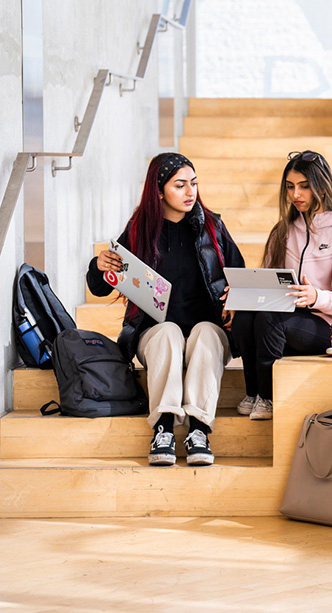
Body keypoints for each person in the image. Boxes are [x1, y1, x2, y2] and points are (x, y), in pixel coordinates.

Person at [86, 152, 245, 466]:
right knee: (169, 333)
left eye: (194, 184)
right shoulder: (139, 229)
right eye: (180, 185)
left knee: (203, 334)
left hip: (209, 331)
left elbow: (239, 275)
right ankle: (164, 430)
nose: (190, 192)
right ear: (158, 191)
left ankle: (199, 430)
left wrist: (234, 302)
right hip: (155, 334)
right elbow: (101, 285)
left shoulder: (212, 227)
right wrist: (98, 266)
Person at [231, 151, 332, 420]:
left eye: (304, 186)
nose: (296, 194)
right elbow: (266, 286)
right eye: (290, 187)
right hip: (286, 321)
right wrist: (242, 300)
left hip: (329, 328)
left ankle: (269, 397)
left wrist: (315, 296)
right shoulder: (282, 231)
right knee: (245, 317)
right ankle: (254, 393)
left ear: (322, 185)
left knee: (271, 317)